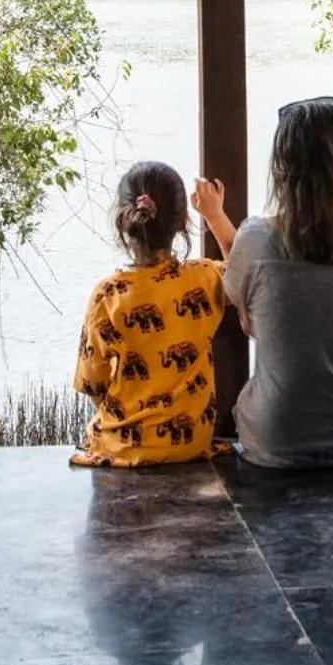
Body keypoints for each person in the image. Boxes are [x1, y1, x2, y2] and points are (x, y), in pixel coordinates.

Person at [191, 96, 333, 469]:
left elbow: (242, 284)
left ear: (283, 170)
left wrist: (214, 217)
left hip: (274, 439)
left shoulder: (256, 237)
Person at [69, 161, 228, 468]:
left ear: (122, 220)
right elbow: (245, 271)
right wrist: (215, 215)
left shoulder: (108, 295)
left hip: (122, 446)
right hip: (192, 442)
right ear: (181, 223)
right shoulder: (206, 278)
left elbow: (92, 383)